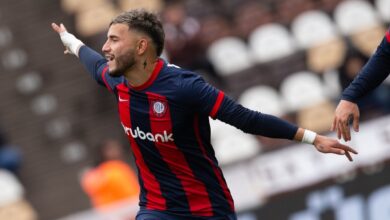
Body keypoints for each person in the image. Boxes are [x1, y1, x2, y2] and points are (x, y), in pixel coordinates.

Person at [52, 9, 357, 220]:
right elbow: (92, 62)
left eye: (114, 40)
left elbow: (245, 119)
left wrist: (311, 138)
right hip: (158, 208)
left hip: (208, 208)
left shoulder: (185, 87)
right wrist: (72, 41)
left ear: (142, 46)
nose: (105, 47)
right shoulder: (116, 80)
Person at [332, 28, 390, 141]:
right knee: (341, 105)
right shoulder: (340, 69)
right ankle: (350, 136)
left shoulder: (365, 57)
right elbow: (383, 58)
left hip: (373, 92)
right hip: (360, 96)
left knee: (383, 94)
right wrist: (349, 97)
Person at [81, 139, 139, 210]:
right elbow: (130, 193)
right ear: (104, 153)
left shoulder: (99, 172)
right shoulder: (115, 169)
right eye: (112, 148)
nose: (118, 150)